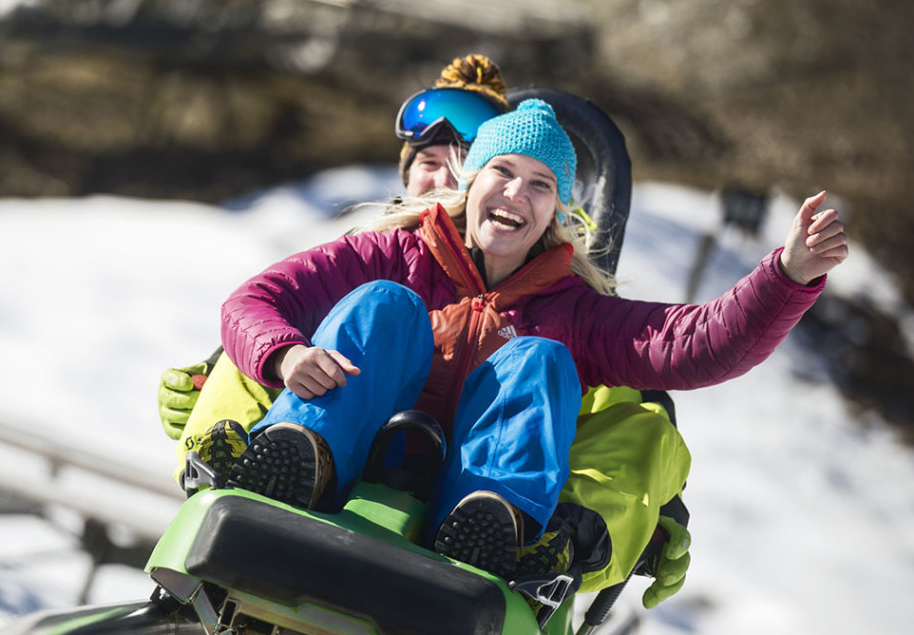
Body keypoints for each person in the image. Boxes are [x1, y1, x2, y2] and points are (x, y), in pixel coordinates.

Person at [213, 98, 847, 586]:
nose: (517, 193)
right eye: (504, 171)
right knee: (384, 304)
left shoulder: (571, 311)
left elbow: (696, 344)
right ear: (472, 181)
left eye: (541, 184)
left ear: (557, 212)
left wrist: (788, 275)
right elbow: (255, 301)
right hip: (347, 464)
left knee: (541, 359)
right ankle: (299, 458)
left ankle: (492, 522)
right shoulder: (392, 253)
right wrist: (286, 353)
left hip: (456, 505)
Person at [160, 55, 509, 460]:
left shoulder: (526, 278)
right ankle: (232, 461)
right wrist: (210, 381)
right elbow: (261, 305)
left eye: (460, 165)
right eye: (429, 163)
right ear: (407, 176)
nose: (443, 179)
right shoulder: (374, 251)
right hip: (327, 456)